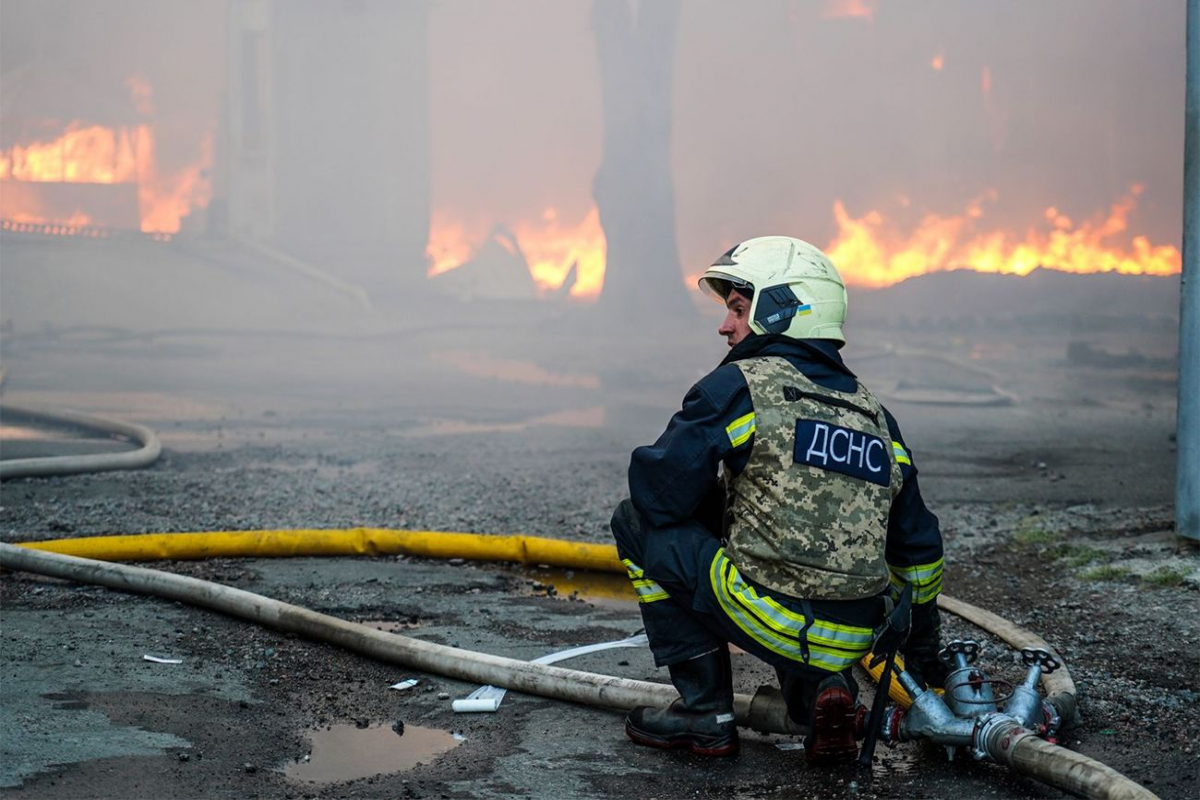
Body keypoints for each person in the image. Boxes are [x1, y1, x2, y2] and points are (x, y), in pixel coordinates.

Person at [610, 236, 946, 764]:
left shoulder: (740, 388)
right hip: (855, 639)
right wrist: (925, 666)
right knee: (799, 550)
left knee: (634, 524)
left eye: (739, 310)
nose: (726, 327)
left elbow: (655, 495)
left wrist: (712, 506)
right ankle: (821, 697)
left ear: (782, 309)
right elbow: (920, 553)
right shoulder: (877, 418)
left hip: (775, 621)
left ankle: (704, 715)